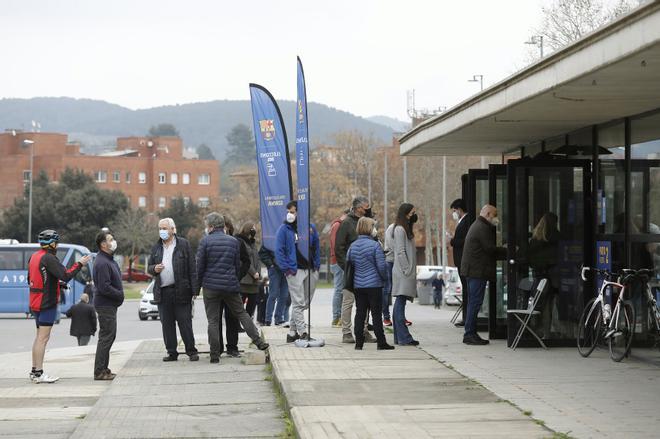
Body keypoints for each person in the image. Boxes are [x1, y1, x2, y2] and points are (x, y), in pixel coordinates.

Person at [197, 212, 269, 363]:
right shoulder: (233, 241)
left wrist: (197, 288)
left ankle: (215, 354)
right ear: (222, 225)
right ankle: (259, 342)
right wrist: (233, 279)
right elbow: (237, 264)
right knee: (242, 314)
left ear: (210, 226)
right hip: (230, 285)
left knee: (213, 320)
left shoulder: (205, 242)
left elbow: (200, 267)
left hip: (211, 287)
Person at [28, 229, 90, 383]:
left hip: (35, 301)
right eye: (57, 242)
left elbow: (34, 278)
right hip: (47, 302)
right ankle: (39, 374)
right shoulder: (49, 258)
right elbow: (66, 274)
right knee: (43, 338)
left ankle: (34, 371)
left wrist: (57, 284)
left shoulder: (34, 256)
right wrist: (80, 263)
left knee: (38, 338)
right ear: (53, 243)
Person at [147, 218, 199, 362]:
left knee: (185, 322)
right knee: (167, 324)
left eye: (164, 228)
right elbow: (150, 267)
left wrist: (195, 290)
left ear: (172, 229)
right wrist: (154, 269)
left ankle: (191, 351)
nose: (162, 231)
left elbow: (192, 268)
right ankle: (171, 352)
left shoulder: (183, 244)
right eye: (160, 228)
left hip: (181, 290)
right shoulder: (156, 247)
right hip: (163, 292)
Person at [275, 201, 321, 342]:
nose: (290, 214)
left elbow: (316, 247)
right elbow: (279, 251)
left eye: (293, 211)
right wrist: (287, 269)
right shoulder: (284, 229)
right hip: (294, 271)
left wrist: (317, 266)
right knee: (298, 302)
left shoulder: (310, 228)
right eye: (289, 211)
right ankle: (303, 333)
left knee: (305, 302)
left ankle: (292, 332)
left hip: (310, 268)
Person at [461, 204, 506, 346]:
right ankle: (470, 334)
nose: (496, 218)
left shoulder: (478, 225)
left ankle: (470, 333)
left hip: (473, 270)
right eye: (495, 214)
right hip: (476, 271)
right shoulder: (482, 228)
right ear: (487, 214)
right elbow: (489, 249)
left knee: (473, 302)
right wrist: (506, 250)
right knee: (475, 302)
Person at [347, 217, 395, 350]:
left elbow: (349, 262)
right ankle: (381, 342)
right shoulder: (375, 246)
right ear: (369, 228)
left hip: (358, 286)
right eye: (373, 226)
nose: (375, 229)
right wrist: (385, 279)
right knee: (376, 314)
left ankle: (359, 343)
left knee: (360, 313)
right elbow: (381, 267)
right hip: (374, 285)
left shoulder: (353, 246)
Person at [334, 196, 375, 344]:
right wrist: (347, 267)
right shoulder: (346, 223)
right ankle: (346, 332)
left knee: (365, 302)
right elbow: (339, 247)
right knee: (348, 301)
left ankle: (363, 331)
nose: (368, 209)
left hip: (366, 270)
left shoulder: (368, 222)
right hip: (351, 269)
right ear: (358, 208)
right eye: (366, 207)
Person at [93, 230, 124, 380]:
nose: (114, 241)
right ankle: (99, 371)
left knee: (109, 337)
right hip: (105, 305)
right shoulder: (102, 262)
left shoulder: (108, 259)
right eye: (111, 239)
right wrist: (119, 294)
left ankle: (104, 369)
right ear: (104, 244)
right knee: (106, 337)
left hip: (110, 305)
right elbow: (104, 287)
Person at [390, 203, 420, 346]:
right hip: (403, 272)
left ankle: (399, 337)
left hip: (404, 272)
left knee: (400, 303)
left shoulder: (404, 228)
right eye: (412, 212)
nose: (414, 215)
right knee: (400, 303)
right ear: (406, 213)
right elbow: (400, 251)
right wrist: (407, 269)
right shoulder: (400, 229)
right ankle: (404, 337)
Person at [236, 222, 262, 318]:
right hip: (245, 280)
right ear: (248, 229)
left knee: (252, 304)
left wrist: (258, 272)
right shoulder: (240, 241)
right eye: (253, 228)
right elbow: (243, 260)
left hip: (254, 281)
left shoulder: (253, 242)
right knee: (240, 305)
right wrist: (253, 272)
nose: (254, 230)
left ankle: (248, 324)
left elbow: (258, 259)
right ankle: (239, 323)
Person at [259, 244, 290, 326]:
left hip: (286, 269)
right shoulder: (271, 237)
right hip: (275, 269)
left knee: (284, 295)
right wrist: (270, 265)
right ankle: (268, 319)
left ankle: (279, 318)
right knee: (273, 294)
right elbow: (262, 253)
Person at [329, 209, 349, 327]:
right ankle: (336, 318)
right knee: (339, 290)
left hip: (338, 261)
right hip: (338, 261)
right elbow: (336, 245)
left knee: (341, 290)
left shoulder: (337, 225)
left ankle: (339, 317)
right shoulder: (338, 225)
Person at [449, 198, 468, 326]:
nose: (454, 213)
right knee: (465, 290)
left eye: (455, 210)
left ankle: (467, 318)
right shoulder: (462, 221)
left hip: (463, 261)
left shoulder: (466, 222)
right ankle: (466, 317)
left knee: (467, 290)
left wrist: (452, 240)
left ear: (460, 209)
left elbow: (464, 241)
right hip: (459, 261)